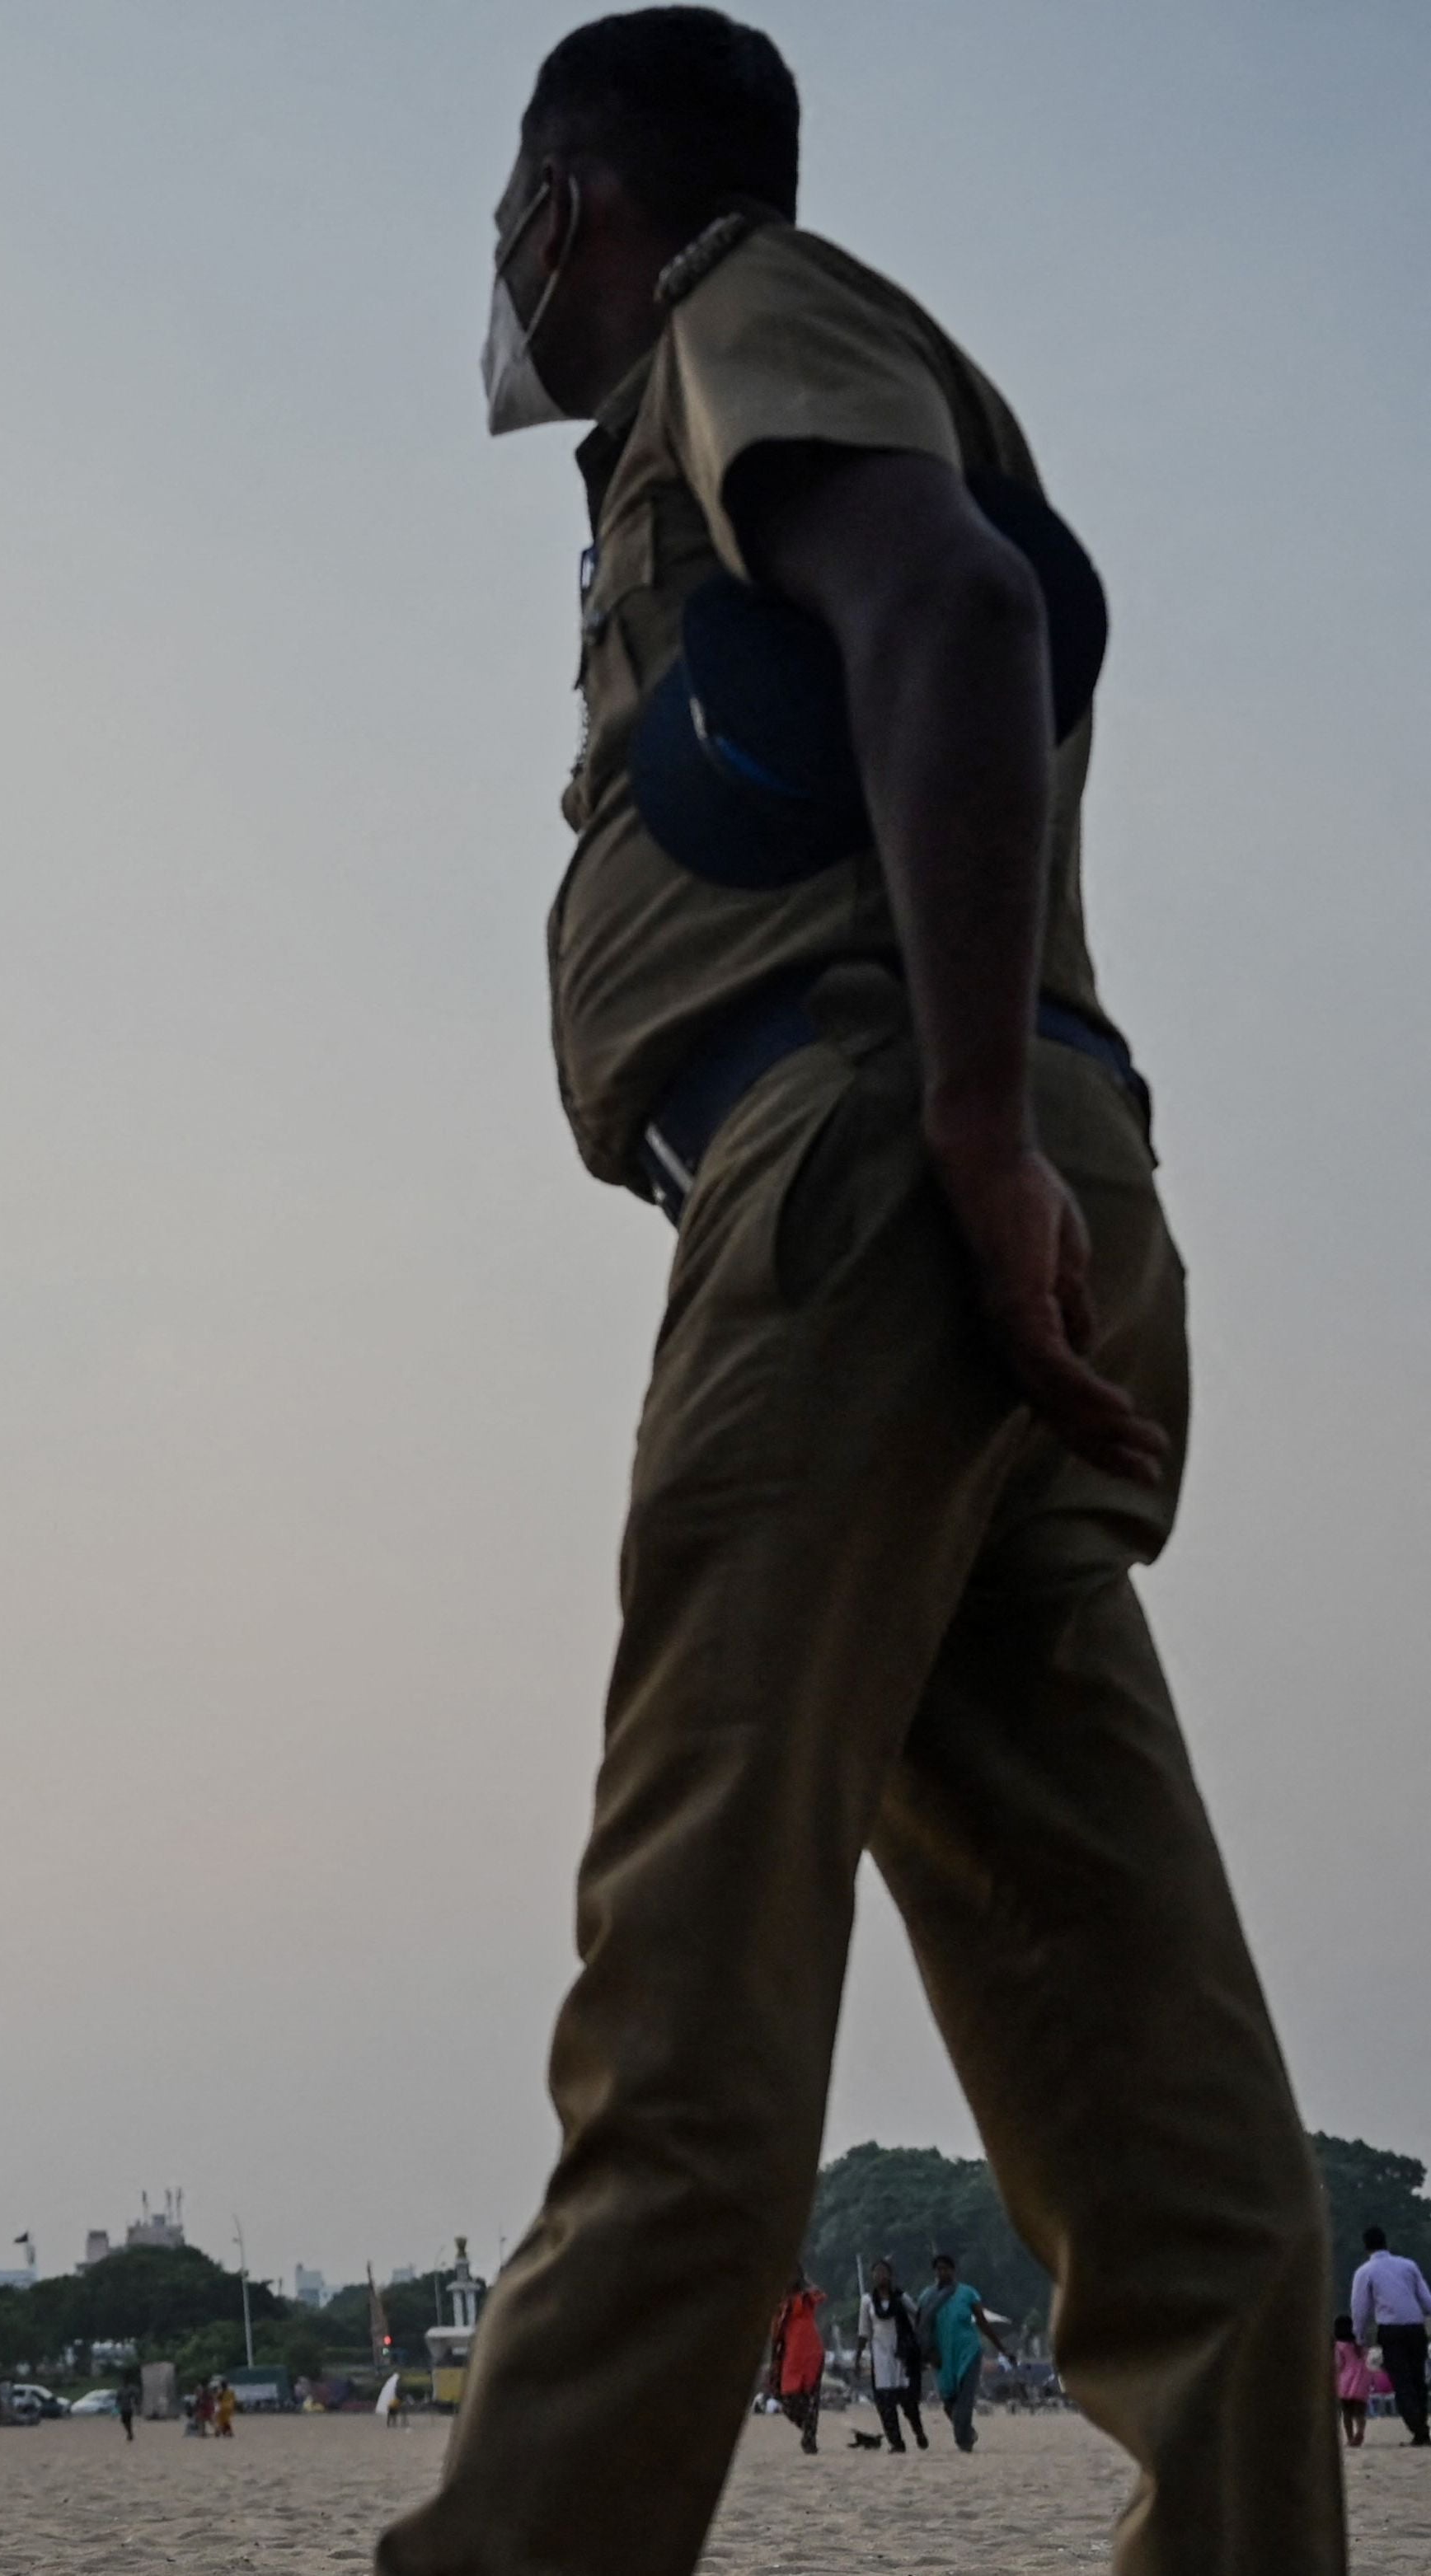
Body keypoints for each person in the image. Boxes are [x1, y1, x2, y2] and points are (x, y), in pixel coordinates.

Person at [376, 15, 1340, 2571]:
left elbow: (952, 599)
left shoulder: (741, 306)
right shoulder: (770, 351)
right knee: (1160, 2106)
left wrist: (968, 1135)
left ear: (574, 199)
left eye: (514, 205)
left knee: (687, 1977)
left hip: (874, 1179)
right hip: (991, 1215)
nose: (508, 260)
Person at [917, 2253, 1013, 2452]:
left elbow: (982, 2323)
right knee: (948, 2402)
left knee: (965, 2399)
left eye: (946, 2268)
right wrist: (924, 2353)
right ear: (934, 2272)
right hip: (941, 2356)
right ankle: (967, 2432)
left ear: (953, 2271)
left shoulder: (967, 2293)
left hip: (967, 2353)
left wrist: (1002, 2349)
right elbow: (921, 2328)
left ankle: (964, 2442)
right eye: (938, 2269)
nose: (942, 2272)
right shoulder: (926, 2297)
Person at [1352, 2224, 1431, 2447]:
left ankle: (1419, 2429)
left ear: (1365, 2247)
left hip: (1391, 2330)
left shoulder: (1365, 2272)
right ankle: (1421, 2428)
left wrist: (1360, 2337)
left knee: (1402, 2382)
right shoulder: (1408, 2265)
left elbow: (1360, 2309)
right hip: (1415, 2326)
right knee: (1419, 2381)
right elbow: (1426, 2300)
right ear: (1387, 2243)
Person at [861, 2260, 927, 2454]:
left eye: (883, 2272)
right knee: (885, 2403)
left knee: (908, 2402)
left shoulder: (900, 2297)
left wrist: (916, 2339)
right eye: (876, 2272)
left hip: (902, 2355)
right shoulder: (867, 2301)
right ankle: (897, 2443)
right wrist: (858, 2358)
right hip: (880, 2357)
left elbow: (918, 2315)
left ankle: (919, 2431)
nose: (880, 2276)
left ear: (890, 2275)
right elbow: (863, 2331)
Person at [764, 2268, 827, 2453]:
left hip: (811, 2353)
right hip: (790, 2355)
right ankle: (808, 2430)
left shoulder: (805, 2298)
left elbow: (821, 2294)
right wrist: (773, 2362)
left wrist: (806, 2281)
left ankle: (809, 2440)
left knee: (811, 2397)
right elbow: (775, 2336)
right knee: (786, 2397)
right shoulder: (779, 2306)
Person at [1333, 2316, 1379, 2452]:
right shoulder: (1361, 2344)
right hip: (1362, 2381)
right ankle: (1360, 2431)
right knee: (1360, 2412)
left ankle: (1350, 2437)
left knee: (1347, 2413)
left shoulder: (1339, 2346)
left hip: (1345, 2382)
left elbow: (1338, 2364)